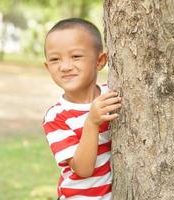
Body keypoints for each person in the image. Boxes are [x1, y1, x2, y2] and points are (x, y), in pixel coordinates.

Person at [42, 18, 122, 200]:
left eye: (76, 56)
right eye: (55, 59)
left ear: (100, 61)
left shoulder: (111, 94)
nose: (65, 66)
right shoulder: (56, 117)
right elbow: (83, 169)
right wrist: (92, 123)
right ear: (48, 68)